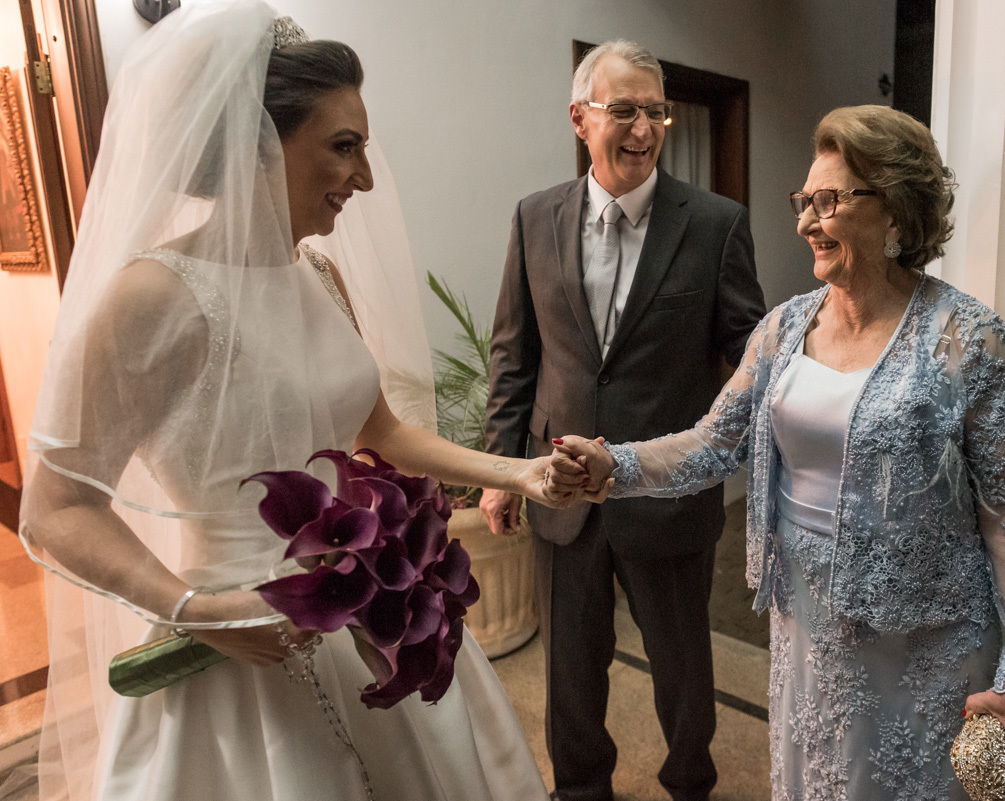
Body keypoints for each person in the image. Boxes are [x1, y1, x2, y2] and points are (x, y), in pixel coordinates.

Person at [17, 4, 598, 799]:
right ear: (254, 144)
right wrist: (195, 607)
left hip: (361, 615)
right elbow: (56, 508)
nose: (364, 178)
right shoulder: (153, 296)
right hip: (241, 639)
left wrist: (520, 472)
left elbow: (380, 431)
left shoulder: (317, 274)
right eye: (343, 147)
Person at [551, 105, 1005, 801]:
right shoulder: (785, 327)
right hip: (809, 631)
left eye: (827, 201)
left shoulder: (967, 338)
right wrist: (617, 466)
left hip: (926, 646)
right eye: (805, 201)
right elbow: (713, 442)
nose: (804, 221)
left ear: (894, 211)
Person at [480, 40, 766, 801]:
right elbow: (515, 355)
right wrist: (502, 472)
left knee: (682, 669)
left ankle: (689, 782)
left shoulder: (715, 225)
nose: (644, 128)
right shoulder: (534, 218)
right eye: (625, 110)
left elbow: (750, 357)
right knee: (570, 669)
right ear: (581, 119)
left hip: (665, 493)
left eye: (656, 111)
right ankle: (580, 788)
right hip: (559, 489)